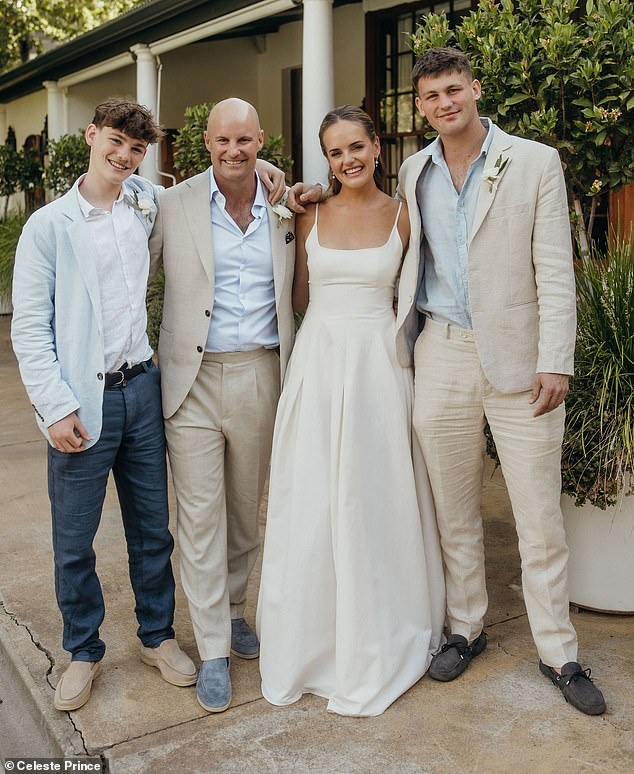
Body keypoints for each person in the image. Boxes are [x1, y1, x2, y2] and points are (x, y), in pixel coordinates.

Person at [394, 47, 606, 715]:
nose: (443, 103)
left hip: (521, 359)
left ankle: (559, 651)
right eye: (430, 96)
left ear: (474, 88)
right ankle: (467, 627)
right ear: (420, 105)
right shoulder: (412, 171)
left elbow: (556, 270)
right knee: (453, 509)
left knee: (538, 516)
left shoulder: (534, 161)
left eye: (453, 89)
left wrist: (557, 357)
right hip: (442, 352)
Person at [257, 106, 445, 717]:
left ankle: (381, 629)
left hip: (380, 367)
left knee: (374, 494)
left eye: (357, 147)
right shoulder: (307, 210)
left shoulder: (405, 214)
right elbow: (299, 294)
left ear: (376, 147)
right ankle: (312, 641)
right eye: (336, 152)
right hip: (319, 360)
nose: (348, 160)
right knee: (313, 497)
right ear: (327, 160)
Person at [11, 98, 197, 712]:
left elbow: (203, 192)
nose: (122, 156)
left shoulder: (145, 202)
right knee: (74, 538)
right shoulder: (49, 226)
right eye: (114, 141)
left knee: (152, 530)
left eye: (136, 149)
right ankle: (83, 650)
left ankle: (157, 637)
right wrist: (54, 406)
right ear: (91, 136)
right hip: (82, 400)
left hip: (142, 389)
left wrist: (272, 174)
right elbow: (30, 328)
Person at [151, 98, 296, 714]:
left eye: (244, 140)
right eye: (221, 141)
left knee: (245, 509)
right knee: (200, 518)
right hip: (192, 378)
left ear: (261, 140)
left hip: (262, 370)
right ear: (204, 144)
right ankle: (212, 646)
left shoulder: (288, 207)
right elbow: (130, 273)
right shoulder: (171, 204)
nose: (233, 151)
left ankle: (235, 610)